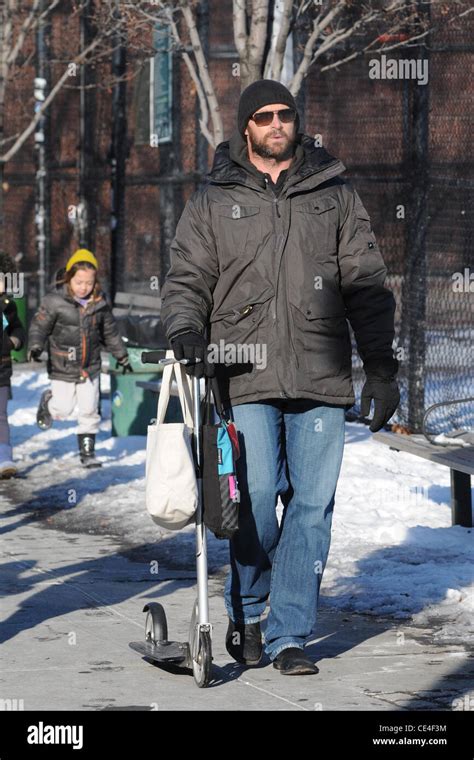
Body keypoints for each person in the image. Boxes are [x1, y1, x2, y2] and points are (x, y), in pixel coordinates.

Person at [160, 80, 400, 675]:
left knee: (313, 506)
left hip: (321, 375)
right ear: (247, 127)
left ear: (296, 121)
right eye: (263, 116)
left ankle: (288, 633)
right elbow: (188, 277)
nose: (275, 124)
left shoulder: (334, 194)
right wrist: (186, 331)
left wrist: (381, 368)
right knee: (256, 499)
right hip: (243, 371)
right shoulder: (214, 200)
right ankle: (246, 607)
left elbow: (367, 285)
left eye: (283, 115)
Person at [27, 249, 132, 467]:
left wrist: (121, 355)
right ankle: (48, 401)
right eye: (79, 282)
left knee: (89, 409)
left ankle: (87, 453)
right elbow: (39, 325)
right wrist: (36, 346)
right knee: (63, 409)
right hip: (62, 365)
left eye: (89, 283)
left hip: (89, 367)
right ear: (68, 279)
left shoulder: (100, 305)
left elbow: (110, 333)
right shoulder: (55, 302)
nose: (84, 287)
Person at [0, 252, 26, 478]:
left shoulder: (7, 306)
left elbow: (17, 327)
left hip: (1, 368)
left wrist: (14, 340)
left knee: (0, 415)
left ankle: (3, 457)